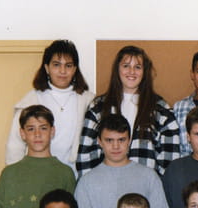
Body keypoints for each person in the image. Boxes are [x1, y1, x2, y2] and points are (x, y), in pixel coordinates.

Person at [76, 45, 180, 177]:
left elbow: (170, 161)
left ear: (144, 72)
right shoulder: (98, 107)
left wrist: (155, 185)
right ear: (117, 69)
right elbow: (85, 156)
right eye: (126, 66)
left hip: (144, 185)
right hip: (105, 183)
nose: (132, 71)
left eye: (137, 67)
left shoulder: (160, 109)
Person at [75, 114, 169, 208]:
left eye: (121, 140)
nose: (116, 146)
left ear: (129, 140)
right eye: (109, 140)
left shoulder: (149, 176)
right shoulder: (86, 182)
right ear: (99, 141)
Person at [5, 39, 94, 171]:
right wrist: (16, 175)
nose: (62, 71)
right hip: (37, 172)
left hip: (74, 173)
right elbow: (15, 146)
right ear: (47, 68)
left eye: (68, 65)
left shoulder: (88, 100)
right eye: (56, 65)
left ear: (75, 69)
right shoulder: (31, 100)